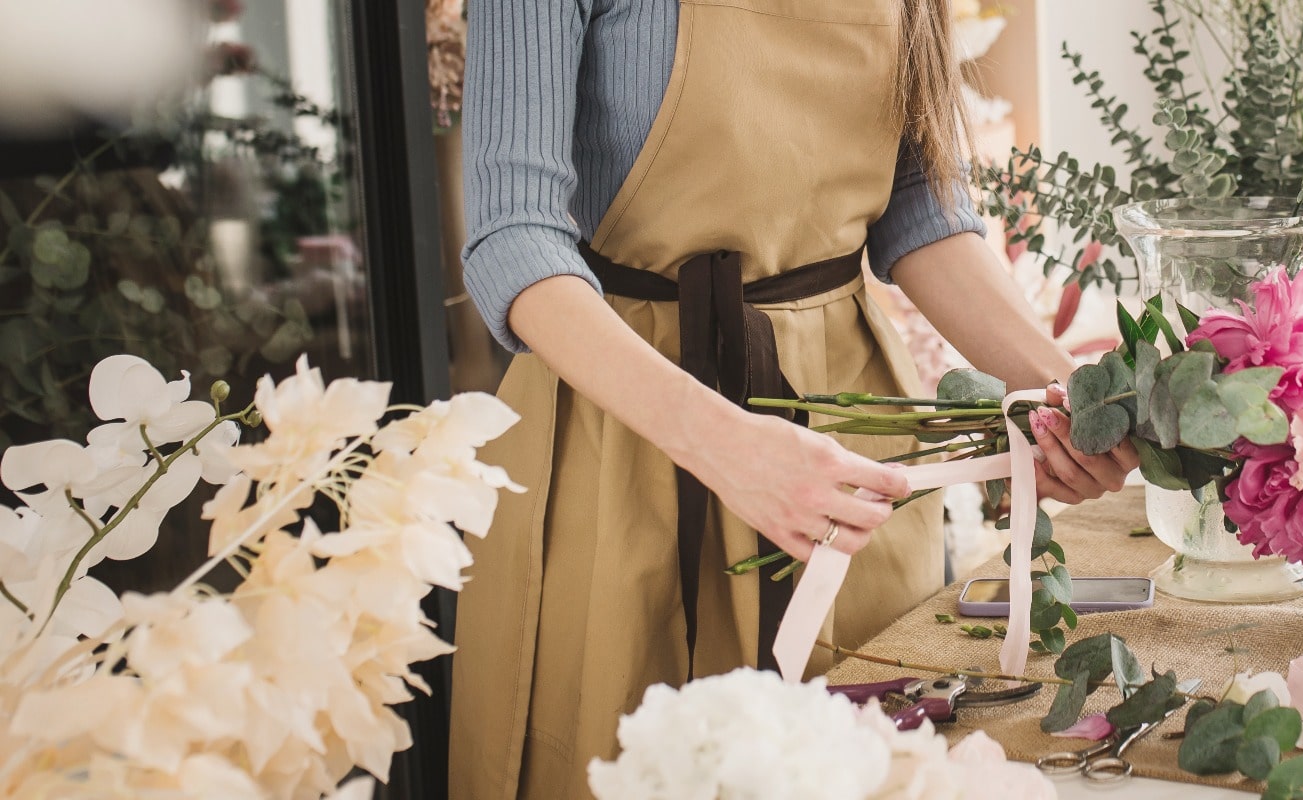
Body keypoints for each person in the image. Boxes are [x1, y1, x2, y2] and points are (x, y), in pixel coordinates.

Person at [447, 2, 1140, 798]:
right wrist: (726, 445)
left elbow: (922, 211)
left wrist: (1076, 406)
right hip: (622, 434)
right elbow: (511, 235)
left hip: (854, 446)